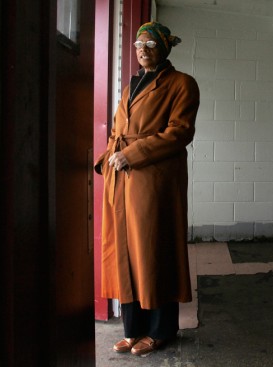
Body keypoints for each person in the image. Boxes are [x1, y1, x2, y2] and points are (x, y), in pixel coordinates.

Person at [94, 21, 200, 356]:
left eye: (150, 44)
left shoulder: (182, 84)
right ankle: (133, 329)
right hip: (121, 179)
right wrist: (108, 157)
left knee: (154, 251)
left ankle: (161, 330)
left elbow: (179, 131)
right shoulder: (132, 85)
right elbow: (117, 129)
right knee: (123, 253)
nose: (142, 50)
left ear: (164, 48)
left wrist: (133, 154)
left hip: (154, 179)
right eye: (139, 44)